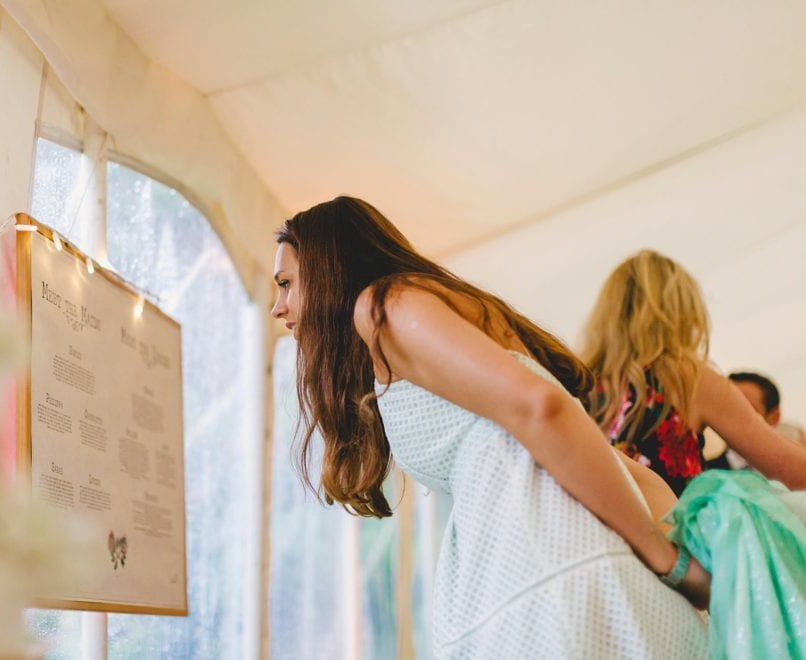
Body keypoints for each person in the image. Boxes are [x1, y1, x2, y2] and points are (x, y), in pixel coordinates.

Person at [271, 197, 708, 658]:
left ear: (328, 269)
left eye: (287, 284)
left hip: (557, 591)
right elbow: (607, 456)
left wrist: (667, 559)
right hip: (580, 584)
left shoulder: (385, 308)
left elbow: (542, 409)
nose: (278, 308)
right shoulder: (450, 317)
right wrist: (673, 565)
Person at [581, 249, 806, 498]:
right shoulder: (687, 379)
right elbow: (791, 469)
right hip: (668, 532)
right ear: (684, 312)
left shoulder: (581, 384)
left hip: (598, 535)